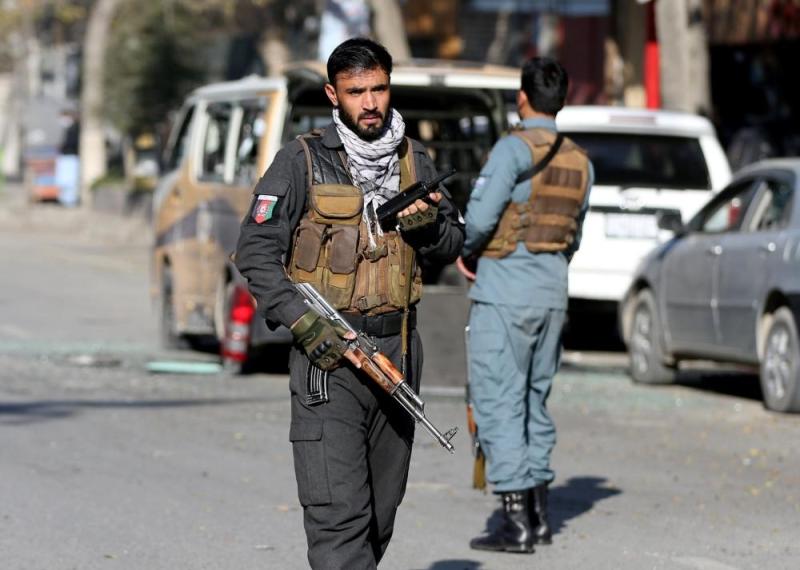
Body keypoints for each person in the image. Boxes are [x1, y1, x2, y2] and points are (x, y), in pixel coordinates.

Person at [234, 38, 464, 569]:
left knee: (379, 516)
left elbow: (454, 243)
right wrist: (303, 322)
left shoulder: (414, 160)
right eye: (357, 91)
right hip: (330, 358)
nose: (370, 102)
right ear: (333, 95)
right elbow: (255, 251)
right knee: (339, 517)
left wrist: (429, 228)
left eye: (379, 89)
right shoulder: (301, 160)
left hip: (397, 352)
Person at [457, 57, 593, 554]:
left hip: (504, 293)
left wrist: (465, 251)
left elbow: (478, 220)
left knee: (499, 400)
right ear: (563, 99)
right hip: (552, 293)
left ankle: (514, 523)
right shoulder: (581, 161)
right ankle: (538, 516)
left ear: (522, 97)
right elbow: (574, 234)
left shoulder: (512, 149)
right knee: (535, 400)